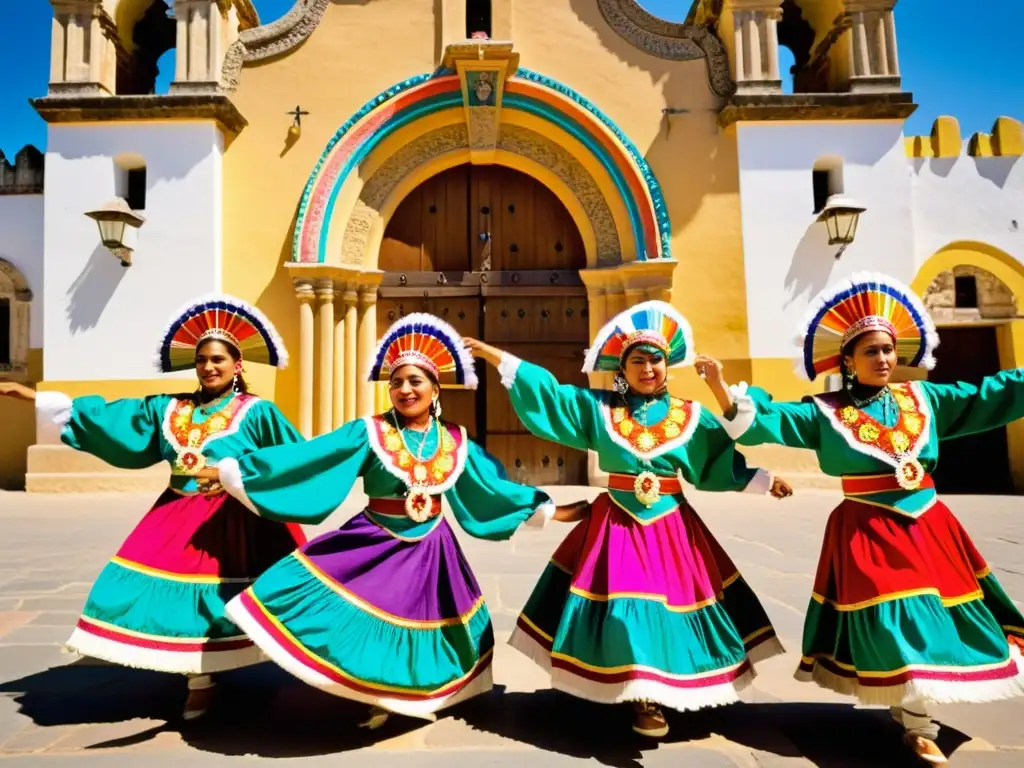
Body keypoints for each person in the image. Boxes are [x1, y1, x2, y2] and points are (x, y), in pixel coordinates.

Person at [201, 313, 588, 729]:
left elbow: (491, 490)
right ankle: (372, 691)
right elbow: (312, 458)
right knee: (363, 615)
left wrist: (554, 511)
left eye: (415, 381)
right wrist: (234, 471)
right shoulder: (368, 432)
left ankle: (402, 692)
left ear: (434, 389)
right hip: (374, 539)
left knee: (423, 622)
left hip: (432, 547)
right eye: (397, 382)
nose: (405, 390)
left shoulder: (454, 441)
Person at [707, 272, 1024, 765]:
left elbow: (986, 396)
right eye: (871, 351)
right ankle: (919, 722)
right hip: (868, 529)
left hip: (928, 525)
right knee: (894, 624)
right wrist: (723, 391)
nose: (882, 359)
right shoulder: (825, 412)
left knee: (936, 619)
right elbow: (768, 421)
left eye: (888, 350)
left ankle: (915, 713)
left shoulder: (924, 401)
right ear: (848, 361)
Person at [463, 299, 794, 740]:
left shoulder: (690, 417)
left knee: (669, 607)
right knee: (627, 606)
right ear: (624, 368)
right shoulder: (601, 409)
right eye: (637, 360)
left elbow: (716, 462)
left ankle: (661, 684)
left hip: (671, 525)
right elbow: (552, 396)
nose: (648, 368)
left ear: (667, 365)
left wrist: (763, 480)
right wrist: (495, 356)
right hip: (616, 523)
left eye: (655, 359)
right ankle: (642, 695)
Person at [0, 295, 307, 720]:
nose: (208, 367)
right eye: (201, 360)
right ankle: (198, 678)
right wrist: (35, 399)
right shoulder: (170, 408)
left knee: (230, 600)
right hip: (177, 514)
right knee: (137, 589)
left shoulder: (258, 413)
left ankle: (213, 675)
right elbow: (114, 418)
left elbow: (292, 460)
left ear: (238, 365)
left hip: (235, 521)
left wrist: (244, 477)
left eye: (218, 359)